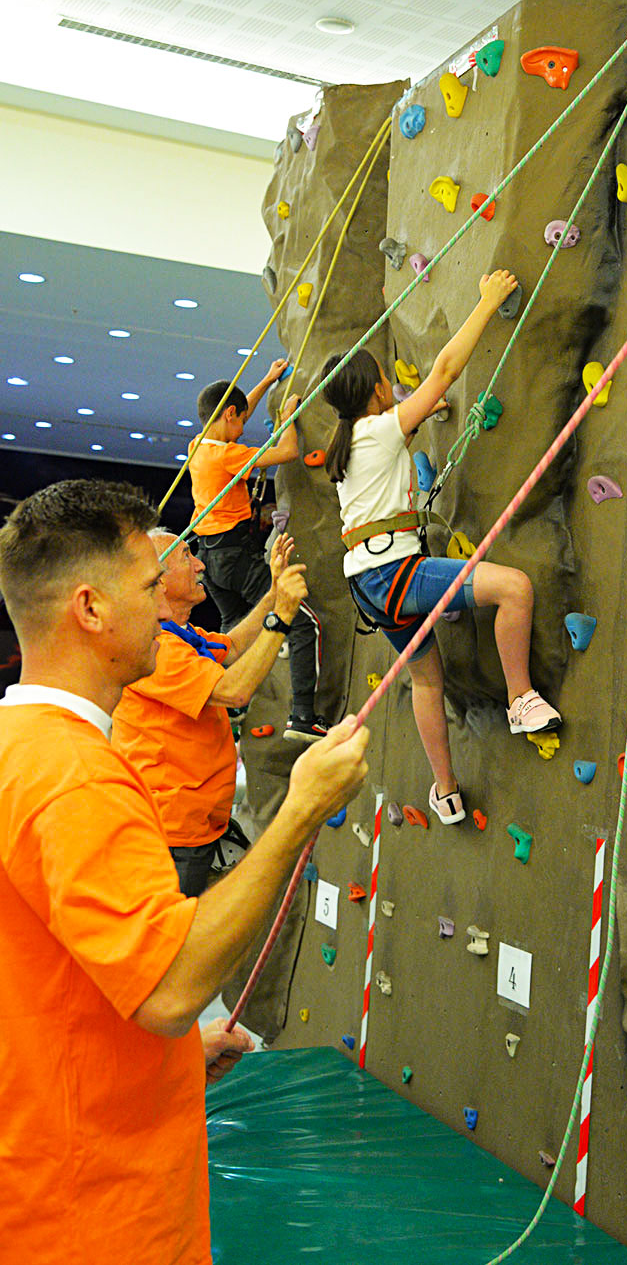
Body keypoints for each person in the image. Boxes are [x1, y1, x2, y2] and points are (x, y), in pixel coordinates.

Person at [0, 479, 368, 1264]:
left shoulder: (19, 748)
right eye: (147, 584)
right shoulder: (76, 777)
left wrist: (169, 1054)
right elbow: (168, 989)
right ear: (91, 609)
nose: (165, 601)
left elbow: (52, 978)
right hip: (94, 1212)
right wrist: (298, 810)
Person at [321, 269, 561, 827]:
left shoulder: (350, 444)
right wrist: (486, 302)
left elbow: (414, 416)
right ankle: (522, 700)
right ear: (375, 390)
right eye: (384, 378)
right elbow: (445, 371)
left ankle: (446, 791)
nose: (389, 384)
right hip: (393, 572)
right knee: (514, 588)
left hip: (370, 586)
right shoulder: (377, 430)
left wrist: (424, 412)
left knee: (428, 678)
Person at [112, 526, 307, 895]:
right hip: (171, 836)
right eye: (187, 556)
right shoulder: (156, 647)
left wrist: (272, 596)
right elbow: (234, 691)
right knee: (181, 947)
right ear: (160, 581)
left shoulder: (179, 635)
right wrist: (280, 617)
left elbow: (232, 647)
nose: (201, 565)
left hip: (191, 826)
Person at [188, 358, 325, 742]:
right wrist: (289, 417)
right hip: (234, 556)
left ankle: (231, 703)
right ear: (229, 415)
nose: (244, 427)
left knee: (233, 630)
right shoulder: (227, 455)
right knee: (301, 622)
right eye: (241, 420)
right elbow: (286, 452)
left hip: (210, 559)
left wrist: (265, 380)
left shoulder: (199, 444)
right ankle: (303, 715)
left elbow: (234, 409)